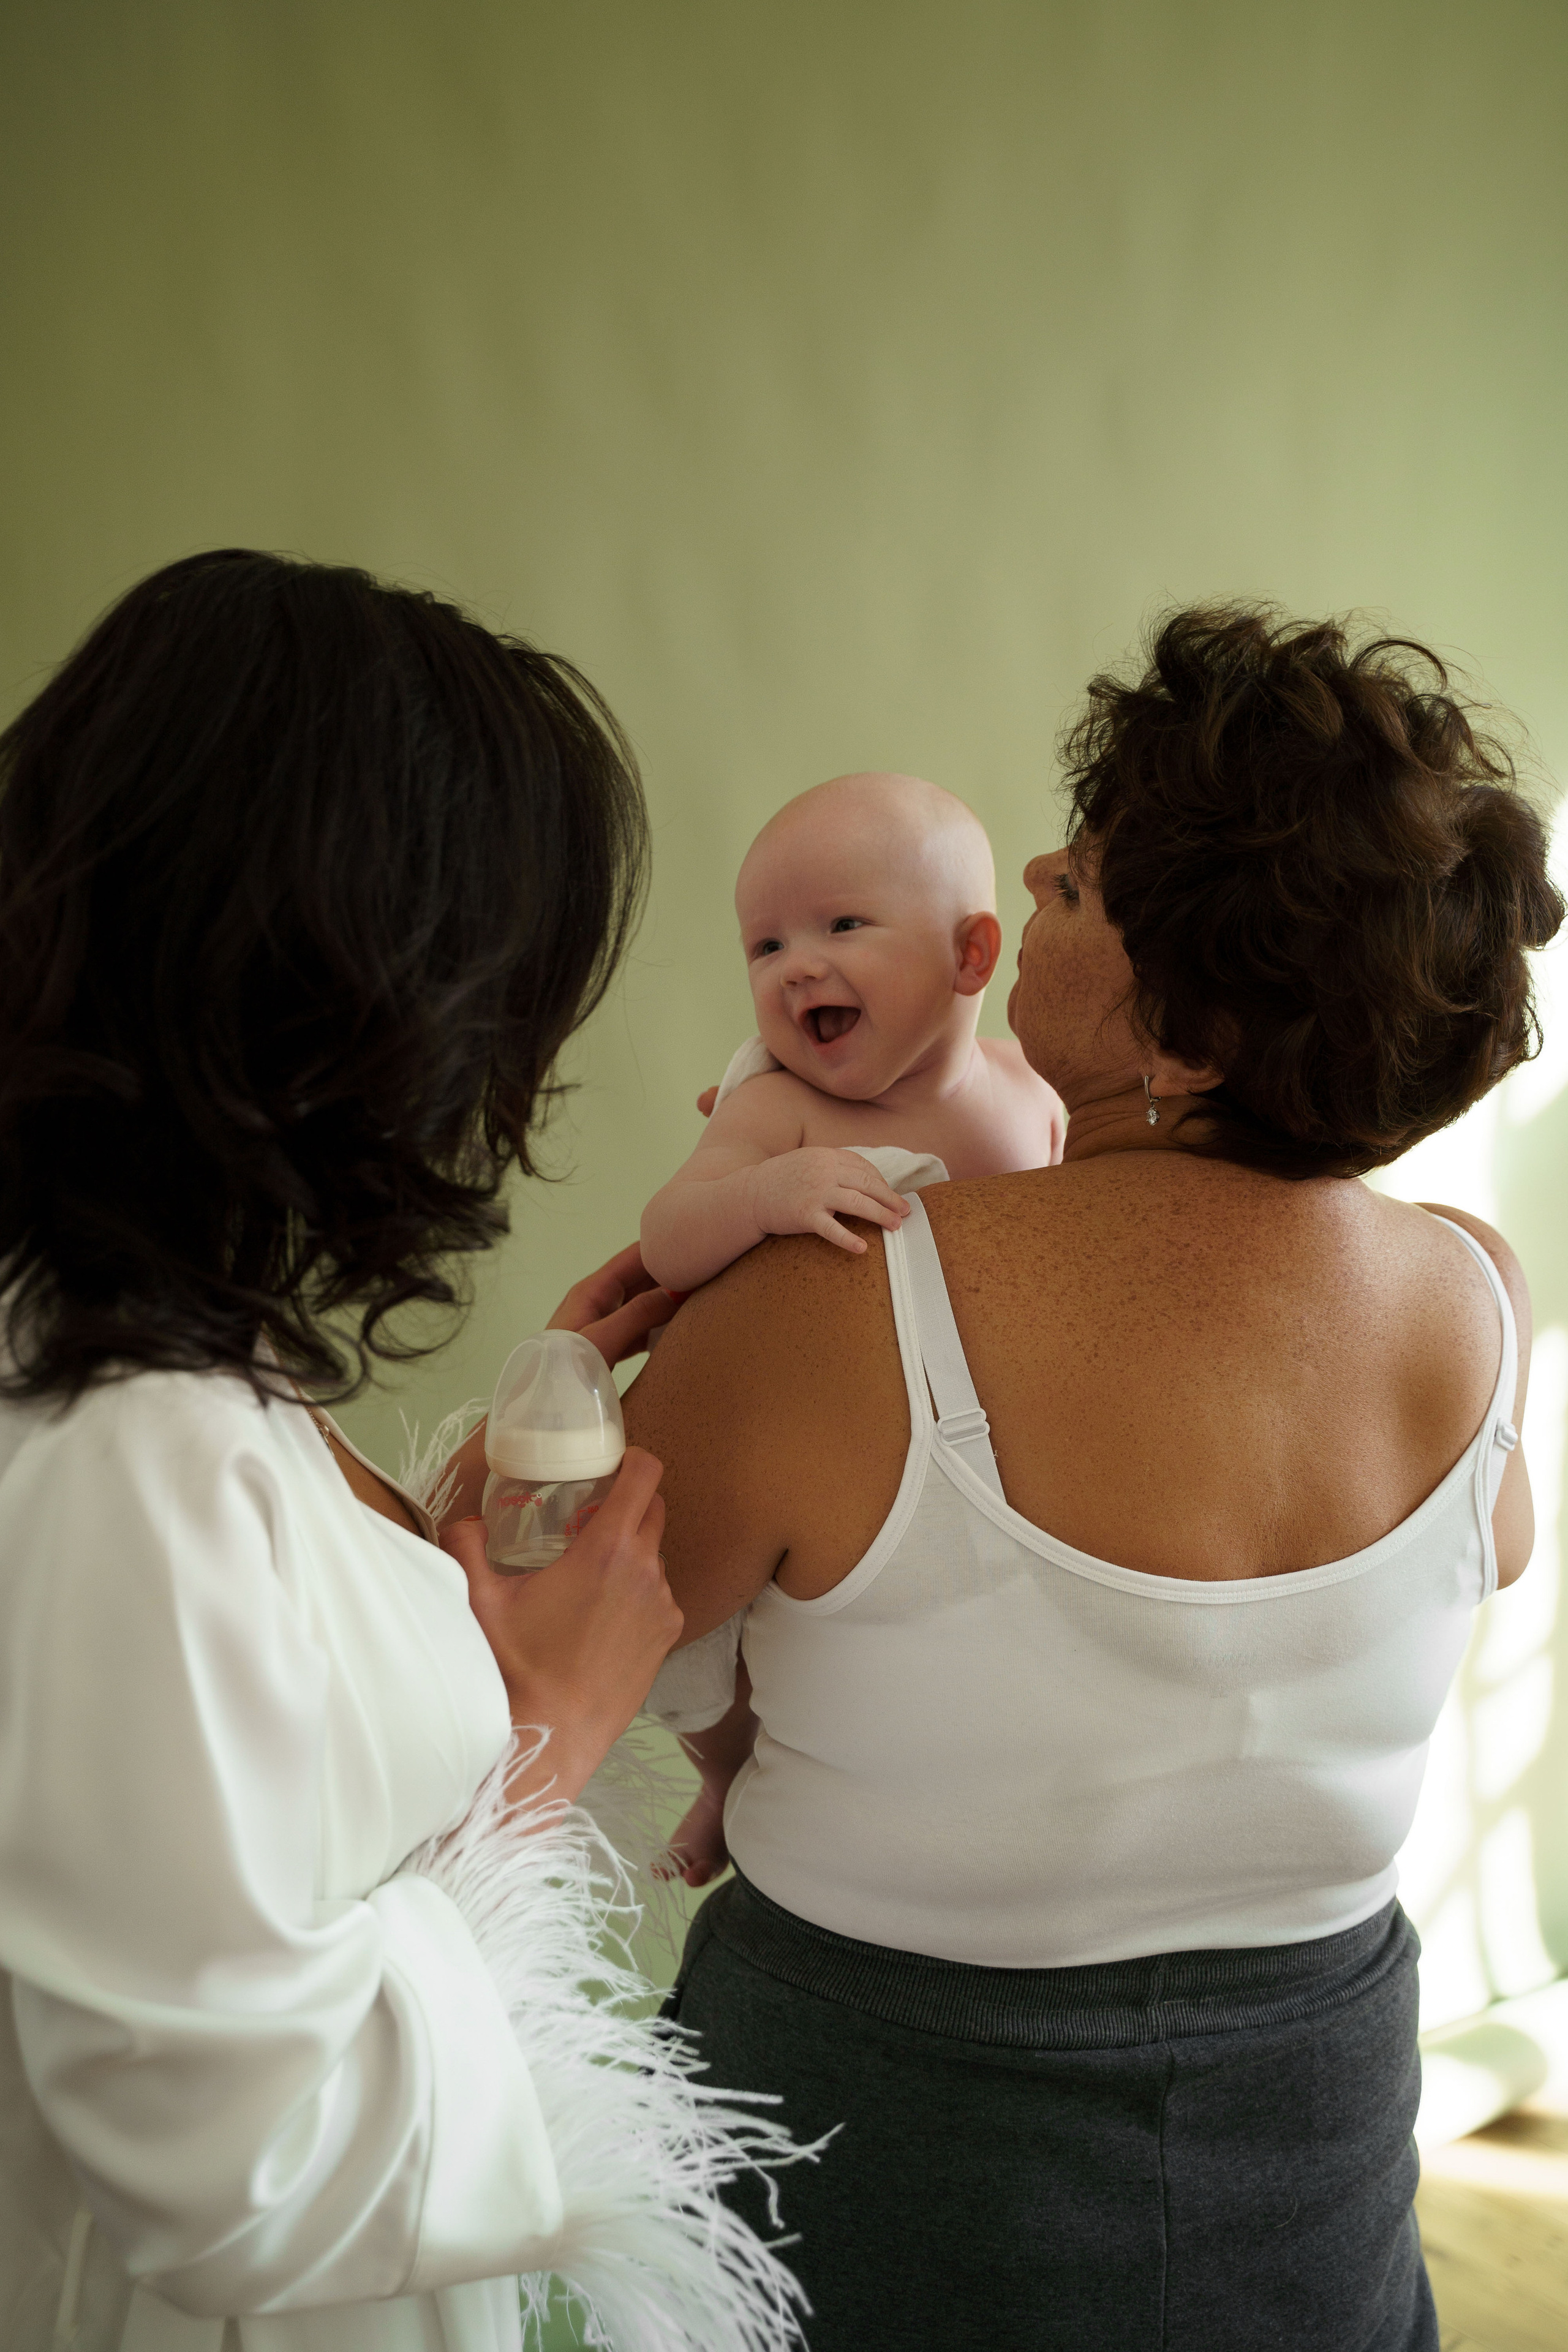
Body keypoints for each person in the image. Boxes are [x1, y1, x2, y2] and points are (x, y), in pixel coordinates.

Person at [622, 606, 1563, 2352]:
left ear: (1190, 1036)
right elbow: (1475, 1558)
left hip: (876, 2145)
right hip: (1310, 2157)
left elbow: (578, 1639)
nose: (1039, 872)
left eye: (1080, 889)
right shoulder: (1476, 1301)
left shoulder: (832, 1302)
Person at [0, 552, 805, 2352]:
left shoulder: (135, 1356)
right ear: (360, 980)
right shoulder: (126, 1443)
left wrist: (398, 1544)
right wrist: (549, 1734)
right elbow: (244, 2156)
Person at [638, 772, 1065, 1294]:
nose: (795, 968)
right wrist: (758, 1196)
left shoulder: (1032, 1084)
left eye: (843, 925)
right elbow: (664, 1240)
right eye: (768, 947)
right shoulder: (779, 1108)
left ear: (968, 954)